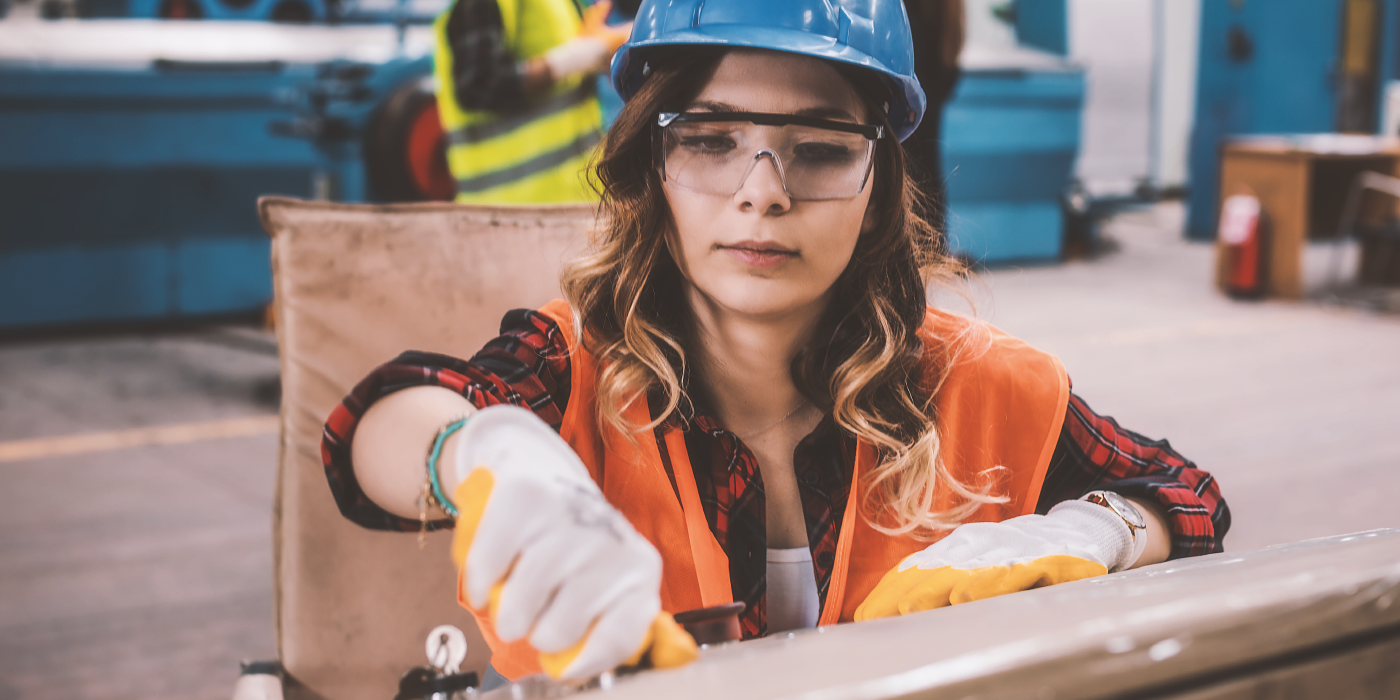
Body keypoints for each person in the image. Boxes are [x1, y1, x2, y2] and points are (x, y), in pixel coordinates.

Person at [326, 0, 1230, 687]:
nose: (763, 193)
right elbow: (373, 428)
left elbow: (1184, 496)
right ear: (655, 167)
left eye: (821, 147)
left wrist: (1097, 529)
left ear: (879, 180)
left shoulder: (982, 384)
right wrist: (480, 448)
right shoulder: (574, 371)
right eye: (713, 140)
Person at [432, 0, 631, 203]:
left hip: (574, 197)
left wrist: (598, 55)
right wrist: (570, 60)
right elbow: (479, 84)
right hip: (509, 209)